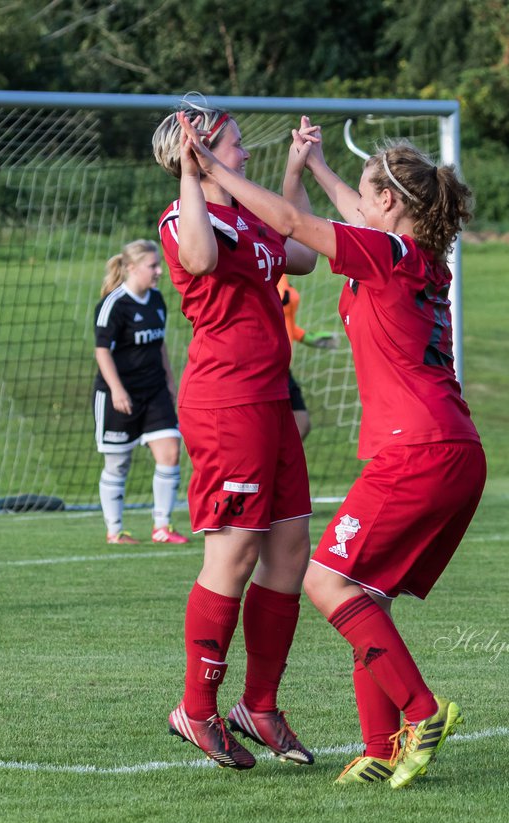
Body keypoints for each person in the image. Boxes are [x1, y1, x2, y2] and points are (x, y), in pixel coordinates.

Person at [176, 114, 485, 788]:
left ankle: (422, 713)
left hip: (418, 449)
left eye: (368, 193)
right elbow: (351, 206)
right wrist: (313, 163)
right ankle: (379, 747)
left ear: (388, 206)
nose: (357, 201)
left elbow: (291, 224)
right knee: (366, 595)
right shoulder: (422, 256)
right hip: (456, 447)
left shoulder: (383, 254)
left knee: (325, 580)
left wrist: (208, 166)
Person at [153, 99, 319, 770]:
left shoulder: (246, 213)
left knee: (290, 551)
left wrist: (294, 170)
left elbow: (303, 253)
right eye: (235, 143)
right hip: (226, 403)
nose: (244, 151)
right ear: (200, 152)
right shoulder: (181, 214)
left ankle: (260, 704)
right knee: (235, 554)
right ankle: (196, 711)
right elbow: (196, 254)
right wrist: (194, 173)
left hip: (271, 400)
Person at [92, 239, 189, 545]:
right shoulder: (114, 304)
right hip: (119, 395)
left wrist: (170, 381)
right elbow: (102, 352)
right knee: (118, 463)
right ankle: (115, 531)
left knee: (171, 453)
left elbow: (158, 344)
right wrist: (117, 390)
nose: (159, 271)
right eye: (153, 266)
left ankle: (162, 527)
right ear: (132, 268)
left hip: (155, 391)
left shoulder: (157, 300)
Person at [277, 274, 336, 440]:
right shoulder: (264, 270)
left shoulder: (281, 271)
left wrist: (308, 338)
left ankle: (276, 463)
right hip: (267, 365)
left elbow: (286, 323)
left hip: (283, 368)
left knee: (301, 424)